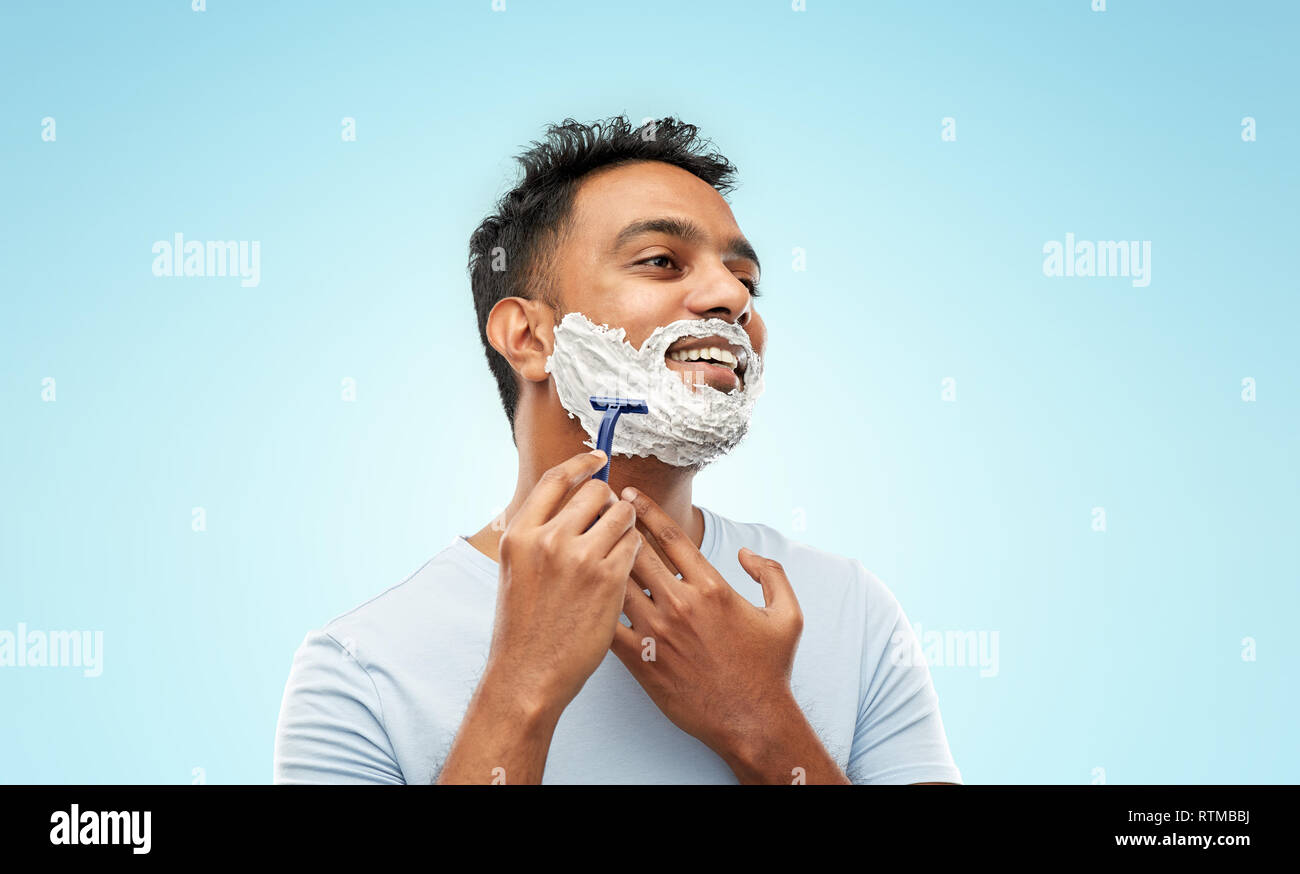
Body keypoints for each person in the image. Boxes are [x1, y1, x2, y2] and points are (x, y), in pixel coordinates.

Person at [273, 116, 962, 785]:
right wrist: (523, 682)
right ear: (530, 338)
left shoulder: (848, 610)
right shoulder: (359, 667)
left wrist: (761, 722)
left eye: (746, 280)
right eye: (661, 261)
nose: (732, 298)